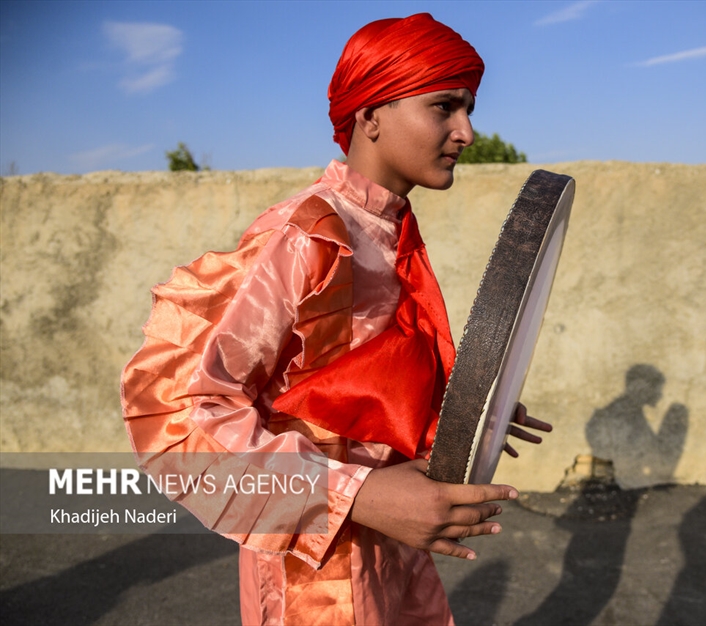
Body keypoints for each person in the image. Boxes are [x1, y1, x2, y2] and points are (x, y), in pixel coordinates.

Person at [120, 13, 550, 626]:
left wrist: (464, 417)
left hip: (389, 544)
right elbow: (180, 414)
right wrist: (361, 496)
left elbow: (355, 386)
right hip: (313, 569)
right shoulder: (308, 236)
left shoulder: (387, 229)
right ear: (370, 116)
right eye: (445, 107)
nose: (468, 132)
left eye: (469, 109)